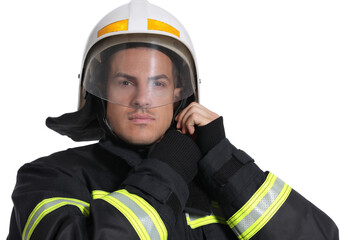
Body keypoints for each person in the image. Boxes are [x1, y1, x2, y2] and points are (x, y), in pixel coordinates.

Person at [7, 0, 339, 239]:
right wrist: (168, 168)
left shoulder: (220, 184)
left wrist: (224, 163)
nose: (142, 98)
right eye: (125, 82)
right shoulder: (49, 177)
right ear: (99, 91)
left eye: (158, 83)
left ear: (180, 92)